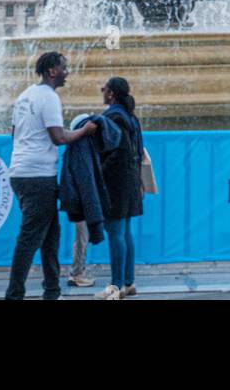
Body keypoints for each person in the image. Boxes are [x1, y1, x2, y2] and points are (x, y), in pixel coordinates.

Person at [4, 51, 97, 302]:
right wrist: (84, 131)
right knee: (29, 239)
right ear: (52, 71)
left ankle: (52, 291)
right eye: (64, 68)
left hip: (20, 173)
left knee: (50, 237)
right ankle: (14, 295)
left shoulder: (25, 96)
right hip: (38, 177)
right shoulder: (49, 98)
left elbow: (15, 133)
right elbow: (59, 137)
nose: (67, 72)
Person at [95, 76, 144, 301]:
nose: (102, 91)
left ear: (111, 93)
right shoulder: (131, 118)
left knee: (115, 233)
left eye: (104, 88)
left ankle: (116, 287)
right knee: (124, 232)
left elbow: (115, 153)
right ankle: (128, 282)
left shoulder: (112, 116)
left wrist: (98, 172)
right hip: (131, 180)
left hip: (115, 182)